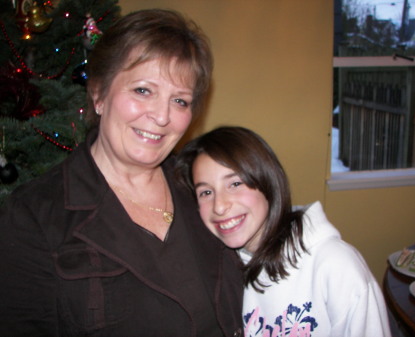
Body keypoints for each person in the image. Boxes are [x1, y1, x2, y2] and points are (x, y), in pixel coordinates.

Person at [0, 10, 243, 337]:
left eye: (180, 101)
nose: (161, 116)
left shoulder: (202, 188)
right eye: (143, 90)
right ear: (99, 93)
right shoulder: (33, 216)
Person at [176, 126, 392, 337]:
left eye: (235, 183)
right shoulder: (222, 269)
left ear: (268, 181)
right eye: (205, 192)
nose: (219, 206)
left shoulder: (336, 266)